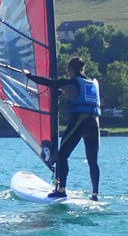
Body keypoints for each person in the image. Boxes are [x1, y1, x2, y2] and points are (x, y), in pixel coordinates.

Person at [23, 57, 101, 201]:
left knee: (62, 155)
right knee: (92, 160)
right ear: (83, 68)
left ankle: (61, 190)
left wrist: (29, 76)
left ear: (71, 69)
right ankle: (95, 193)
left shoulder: (72, 82)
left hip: (80, 120)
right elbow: (66, 91)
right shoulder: (92, 83)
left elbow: (52, 83)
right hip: (94, 123)